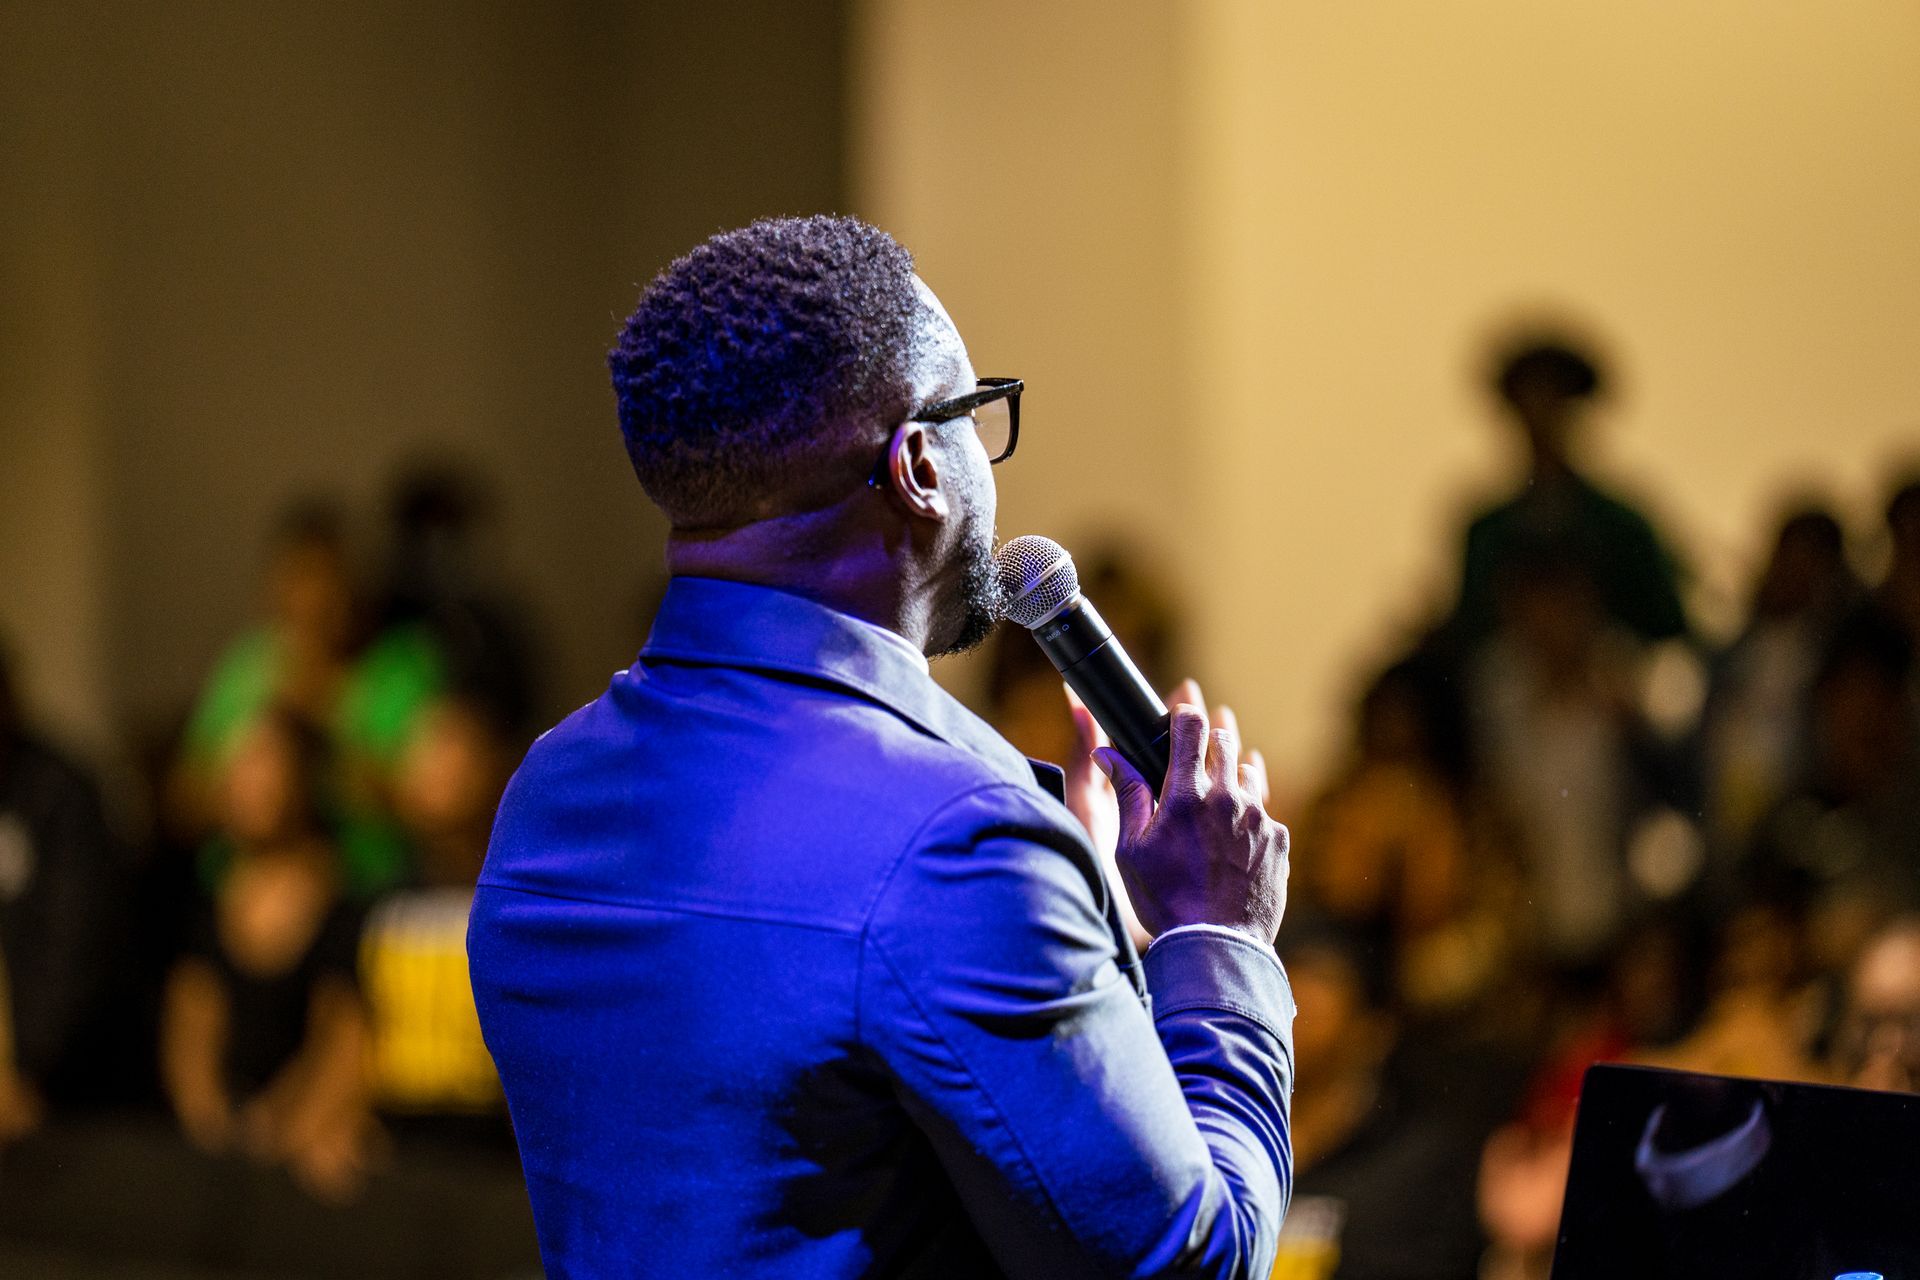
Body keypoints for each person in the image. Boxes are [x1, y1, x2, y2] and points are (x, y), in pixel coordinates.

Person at [468, 215, 1297, 1277]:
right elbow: (1195, 1260)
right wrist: (1216, 937)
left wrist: (1071, 891)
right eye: (977, 413)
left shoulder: (552, 789)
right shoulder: (960, 843)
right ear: (918, 465)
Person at [160, 708, 379, 1203]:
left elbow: (344, 1037)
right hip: (221, 1158)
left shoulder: (345, 899)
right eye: (236, 763)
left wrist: (284, 1127)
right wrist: (210, 1123)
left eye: (263, 761)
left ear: (305, 776)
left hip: (301, 1154)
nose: (245, 779)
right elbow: (192, 1016)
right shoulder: (206, 893)